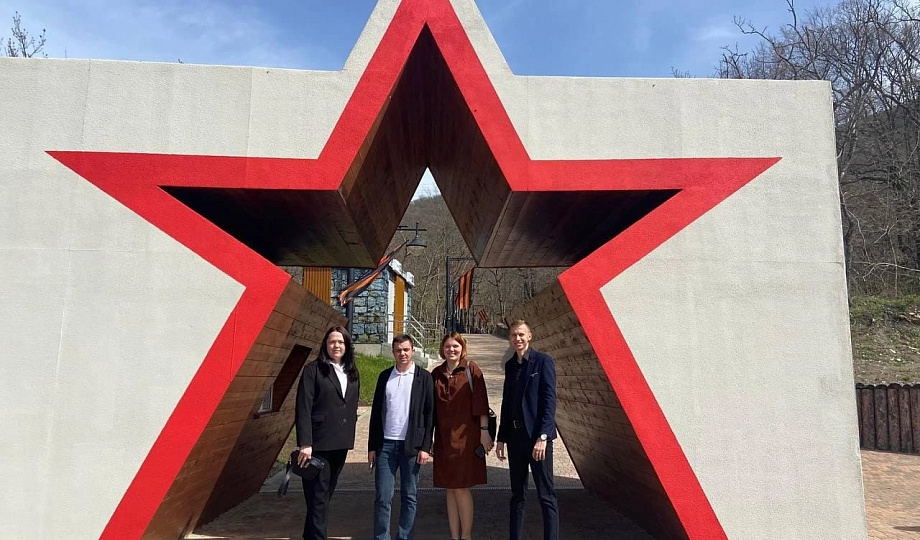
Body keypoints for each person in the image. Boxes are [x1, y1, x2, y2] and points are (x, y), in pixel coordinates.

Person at [294, 326, 361, 540]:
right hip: (318, 444)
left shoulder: (351, 372)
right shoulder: (313, 370)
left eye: (341, 342)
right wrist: (305, 443)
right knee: (319, 498)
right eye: (332, 342)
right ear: (325, 345)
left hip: (340, 443)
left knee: (323, 497)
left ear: (347, 345)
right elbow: (303, 407)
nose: (336, 346)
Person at [495, 320, 559, 540]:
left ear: (529, 336)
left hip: (537, 440)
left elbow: (549, 402)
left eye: (521, 334)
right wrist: (501, 437)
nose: (518, 339)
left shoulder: (543, 362)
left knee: (546, 495)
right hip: (516, 439)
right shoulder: (510, 365)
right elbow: (507, 403)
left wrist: (543, 436)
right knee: (517, 496)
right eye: (514, 335)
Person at [368, 334, 435, 540]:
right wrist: (372, 446)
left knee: (409, 496)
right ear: (393, 352)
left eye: (406, 349)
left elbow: (430, 414)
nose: (402, 353)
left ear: (412, 350)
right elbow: (376, 413)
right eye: (398, 350)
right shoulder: (384, 377)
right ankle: (382, 537)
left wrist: (426, 447)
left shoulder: (424, 377)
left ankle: (404, 536)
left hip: (411, 446)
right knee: (383, 497)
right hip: (385, 445)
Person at [431, 332, 493, 540]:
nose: (451, 350)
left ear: (462, 348)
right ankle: (454, 536)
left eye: (455, 346)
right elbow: (430, 411)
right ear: (442, 349)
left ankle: (466, 536)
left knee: (462, 488)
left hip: (466, 439)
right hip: (443, 439)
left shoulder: (471, 369)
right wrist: (429, 440)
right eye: (448, 346)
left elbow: (482, 403)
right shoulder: (436, 374)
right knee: (450, 489)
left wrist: (484, 432)